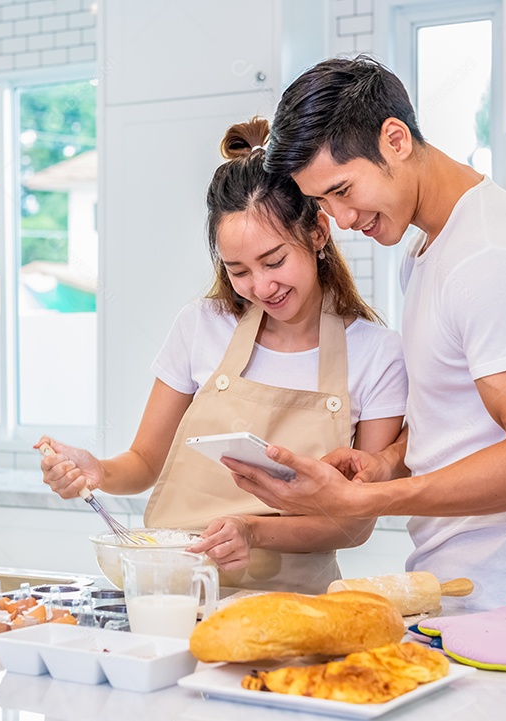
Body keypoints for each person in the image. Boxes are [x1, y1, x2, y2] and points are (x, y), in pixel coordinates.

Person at [226, 56, 506, 610]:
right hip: (459, 589)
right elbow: (460, 424)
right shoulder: (424, 250)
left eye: (343, 189)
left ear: (395, 139)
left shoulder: (493, 257)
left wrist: (368, 503)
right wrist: (385, 465)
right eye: (323, 202)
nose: (343, 219)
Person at [37, 117, 407, 594]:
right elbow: (146, 462)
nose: (261, 287)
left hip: (294, 608)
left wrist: (252, 531)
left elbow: (354, 524)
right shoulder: (201, 324)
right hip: (171, 595)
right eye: (239, 271)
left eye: (274, 261)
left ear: (318, 233)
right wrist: (99, 471)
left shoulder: (377, 354)